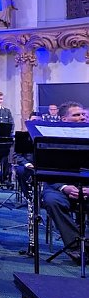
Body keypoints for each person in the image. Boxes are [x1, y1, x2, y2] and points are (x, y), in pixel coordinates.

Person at [41, 101, 88, 262]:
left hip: (87, 186)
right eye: (76, 115)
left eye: (83, 114)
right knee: (52, 200)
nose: (82, 117)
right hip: (58, 186)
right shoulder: (51, 140)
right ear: (63, 120)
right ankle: (75, 246)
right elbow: (46, 171)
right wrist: (65, 187)